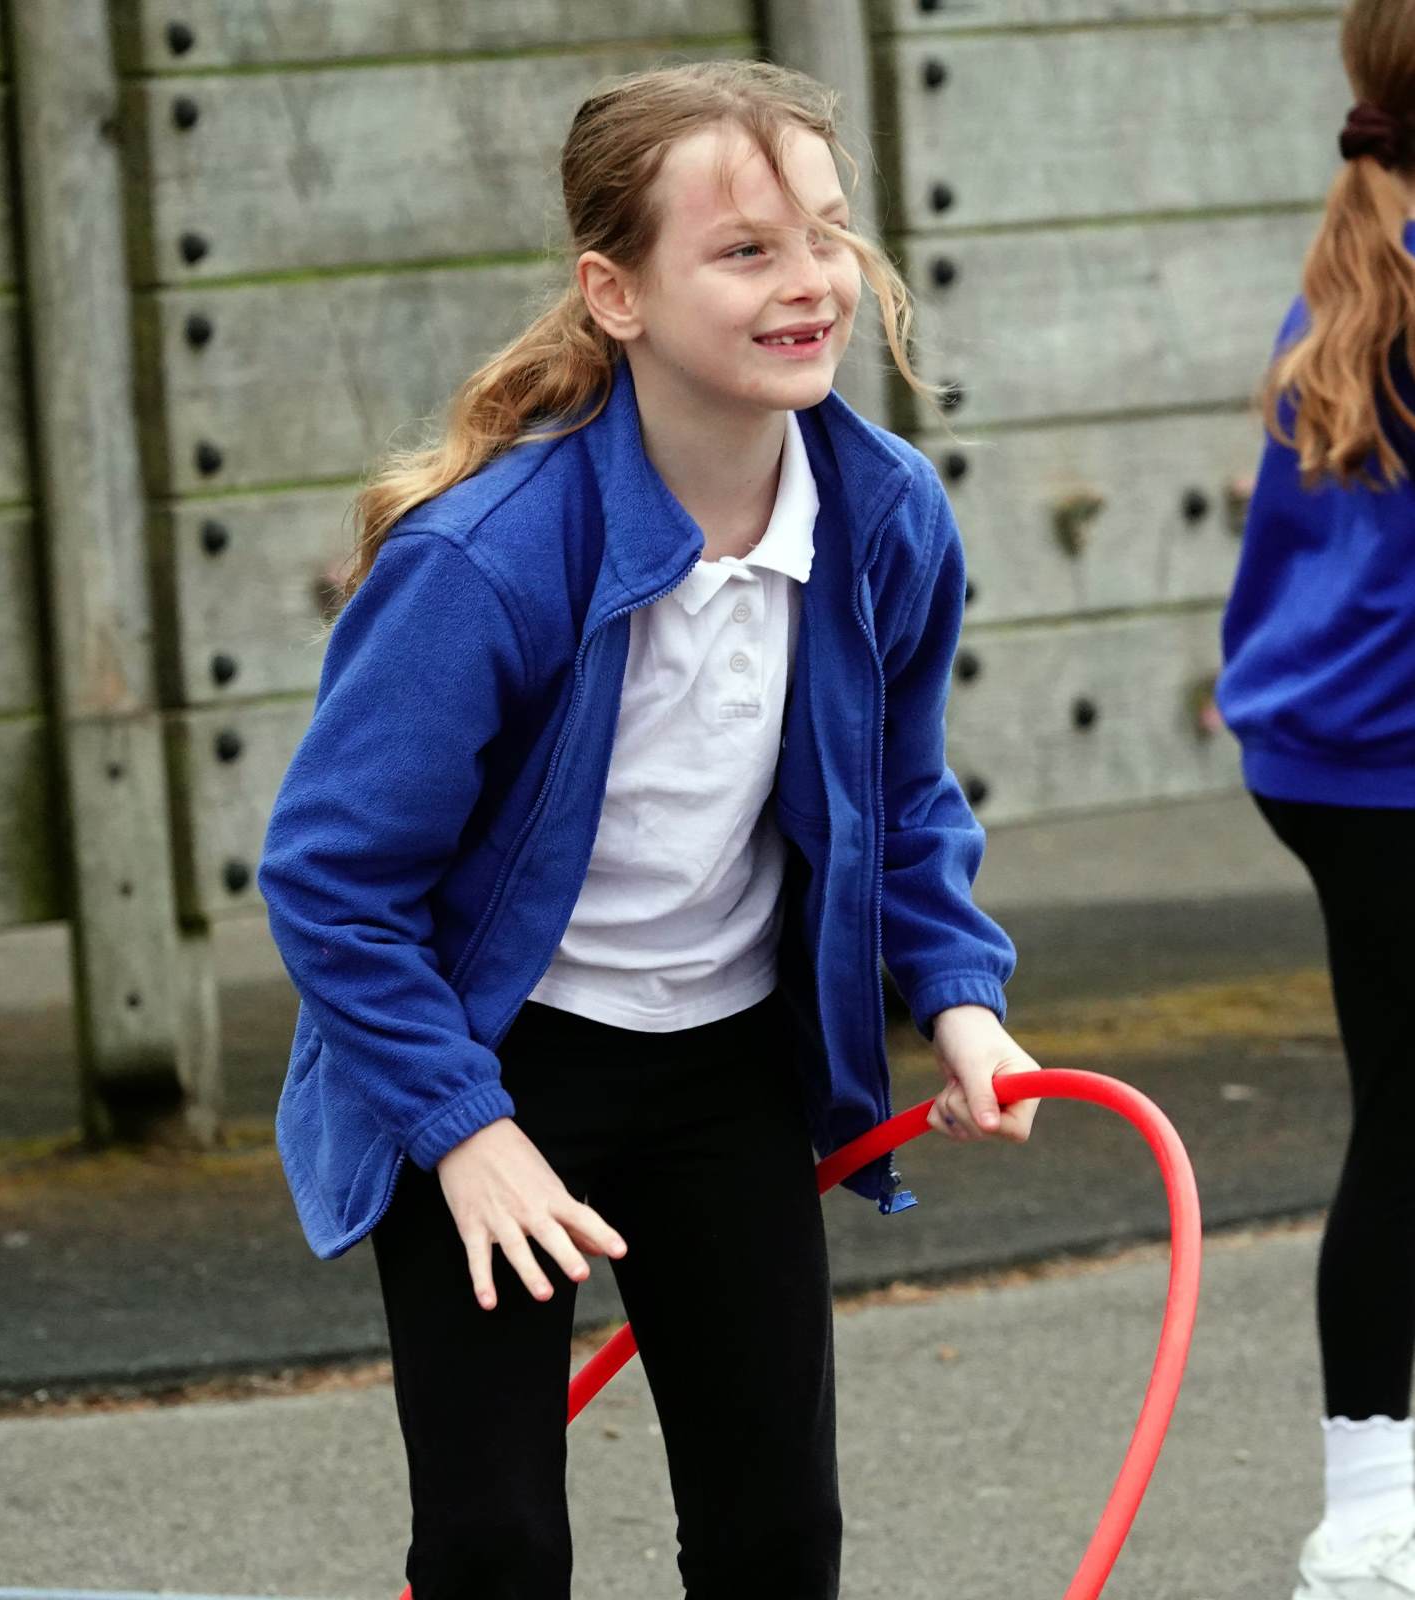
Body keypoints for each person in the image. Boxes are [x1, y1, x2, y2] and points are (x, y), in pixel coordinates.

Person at [257, 58, 1045, 1600]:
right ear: (614, 294)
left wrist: (960, 998)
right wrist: (463, 1131)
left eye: (826, 232)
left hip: (727, 1063)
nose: (809, 281)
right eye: (744, 250)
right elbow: (330, 884)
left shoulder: (886, 517)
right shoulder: (487, 561)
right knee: (494, 1542)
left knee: (775, 1538)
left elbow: (902, 798)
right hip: (492, 1058)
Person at [1215, 4, 1415, 1595]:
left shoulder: (1360, 259)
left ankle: (1371, 1505)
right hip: (1384, 763)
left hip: (1326, 756)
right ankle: (1369, 1522)